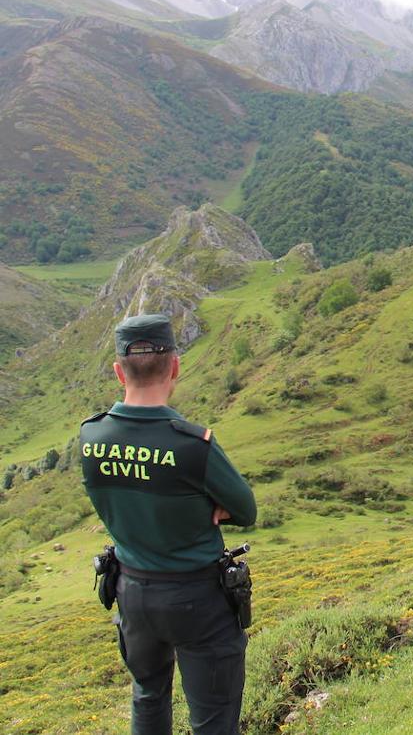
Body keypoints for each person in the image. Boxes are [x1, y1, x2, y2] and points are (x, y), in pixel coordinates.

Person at [80, 314, 256, 735]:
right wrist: (214, 504)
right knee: (213, 716)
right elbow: (246, 510)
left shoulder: (91, 438)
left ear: (119, 371)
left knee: (147, 695)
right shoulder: (192, 445)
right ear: (175, 366)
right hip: (197, 598)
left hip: (132, 593)